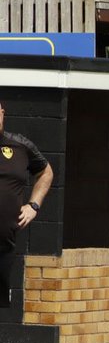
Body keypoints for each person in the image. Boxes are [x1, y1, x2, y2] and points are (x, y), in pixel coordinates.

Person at [0, 100, 53, 309]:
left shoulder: (20, 146)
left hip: (4, 245)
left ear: (3, 112)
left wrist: (34, 205)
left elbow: (46, 172)